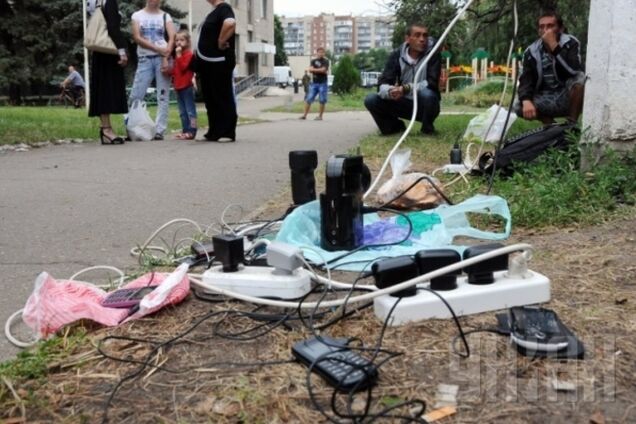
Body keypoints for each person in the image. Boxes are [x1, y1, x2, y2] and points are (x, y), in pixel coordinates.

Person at [364, 23, 441, 135]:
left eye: (425, 35)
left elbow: (432, 83)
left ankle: (427, 129)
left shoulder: (433, 54)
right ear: (408, 38)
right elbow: (383, 83)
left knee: (428, 94)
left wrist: (406, 88)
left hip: (426, 106)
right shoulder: (396, 55)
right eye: (417, 35)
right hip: (403, 103)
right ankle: (394, 128)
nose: (422, 39)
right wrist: (391, 91)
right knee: (371, 99)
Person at [516, 11, 585, 125]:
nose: (545, 30)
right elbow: (526, 80)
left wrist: (554, 46)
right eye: (542, 27)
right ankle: (553, 129)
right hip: (547, 97)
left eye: (550, 26)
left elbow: (572, 71)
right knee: (519, 104)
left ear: (560, 29)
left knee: (580, 78)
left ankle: (571, 125)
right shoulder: (531, 51)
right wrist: (526, 100)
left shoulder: (570, 43)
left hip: (570, 96)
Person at [129, 0, 175, 140]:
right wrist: (157, 49)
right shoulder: (137, 15)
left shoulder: (166, 16)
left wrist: (166, 54)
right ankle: (133, 128)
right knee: (136, 95)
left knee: (163, 96)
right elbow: (137, 37)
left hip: (162, 59)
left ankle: (159, 130)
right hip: (145, 59)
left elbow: (172, 37)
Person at [87, 0, 128, 144]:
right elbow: (112, 27)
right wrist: (122, 51)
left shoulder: (95, 1)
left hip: (100, 50)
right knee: (107, 90)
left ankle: (106, 128)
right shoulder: (109, 1)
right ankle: (106, 130)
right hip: (110, 50)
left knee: (102, 89)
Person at [196, 0, 237, 142]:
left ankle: (227, 132)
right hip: (207, 63)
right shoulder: (213, 11)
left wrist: (221, 41)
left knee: (222, 95)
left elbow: (230, 23)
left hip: (219, 61)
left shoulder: (224, 8)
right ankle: (214, 131)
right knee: (210, 97)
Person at [172, 29, 198, 140]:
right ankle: (185, 130)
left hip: (187, 86)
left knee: (190, 110)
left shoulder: (189, 55)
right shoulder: (178, 56)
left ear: (187, 42)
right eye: (176, 40)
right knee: (182, 112)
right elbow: (176, 70)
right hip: (178, 87)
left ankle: (192, 130)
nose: (178, 42)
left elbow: (183, 67)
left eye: (182, 40)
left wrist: (178, 55)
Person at [299, 47, 329, 120]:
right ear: (317, 53)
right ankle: (304, 115)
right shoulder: (313, 61)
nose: (321, 53)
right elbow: (310, 70)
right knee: (309, 99)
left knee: (322, 100)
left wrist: (315, 70)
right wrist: (319, 70)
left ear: (324, 53)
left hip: (323, 83)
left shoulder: (325, 61)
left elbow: (324, 69)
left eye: (322, 52)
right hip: (314, 83)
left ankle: (320, 116)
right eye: (319, 52)